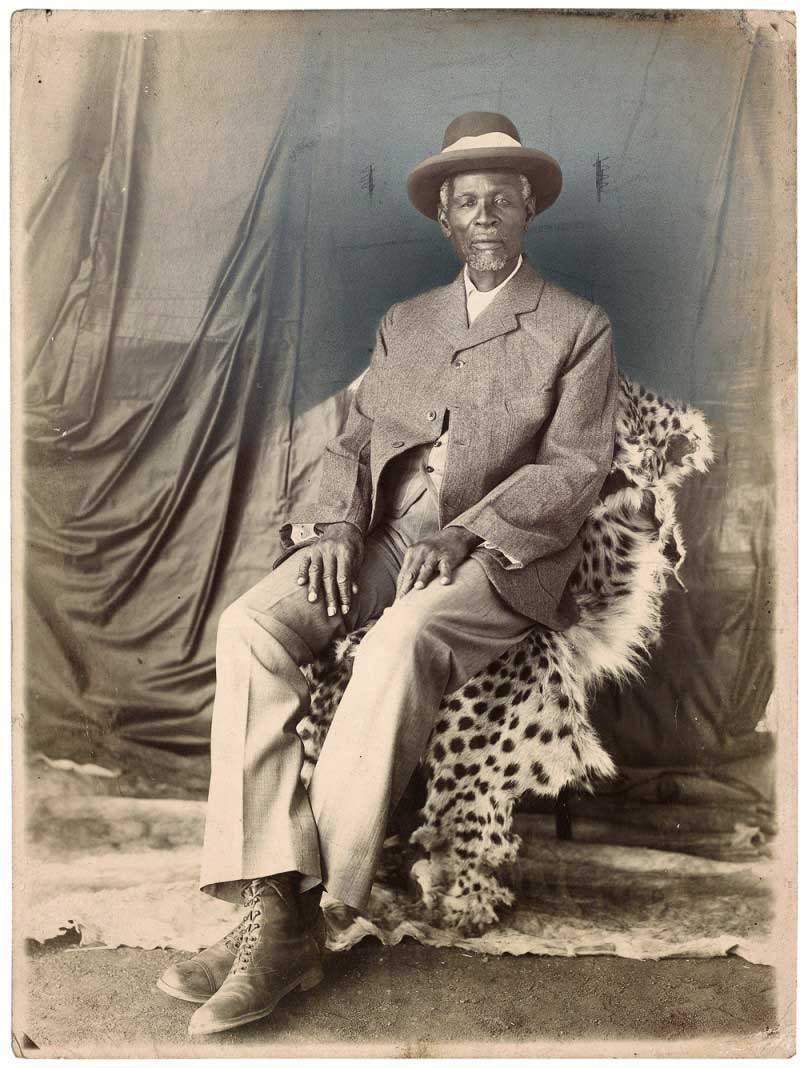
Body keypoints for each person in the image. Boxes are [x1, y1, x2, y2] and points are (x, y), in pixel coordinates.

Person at [157, 111, 618, 1036]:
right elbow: (357, 436)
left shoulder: (577, 326)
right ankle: (280, 907)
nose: (485, 215)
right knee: (251, 624)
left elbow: (575, 470)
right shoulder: (404, 323)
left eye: (501, 198)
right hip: (381, 540)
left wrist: (475, 530)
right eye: (466, 202)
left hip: (497, 559)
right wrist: (331, 524)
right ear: (443, 220)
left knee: (402, 640)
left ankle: (298, 915)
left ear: (529, 208)